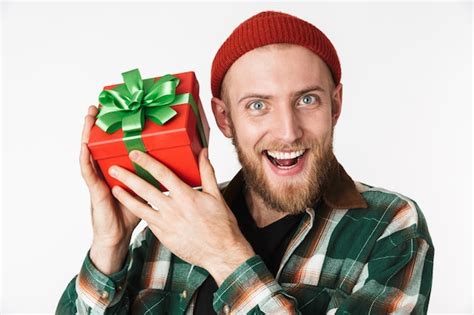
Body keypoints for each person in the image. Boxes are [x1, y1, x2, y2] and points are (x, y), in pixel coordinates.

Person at [57, 10, 433, 314]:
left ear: (335, 104)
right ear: (223, 119)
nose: (287, 132)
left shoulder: (391, 225)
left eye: (307, 100)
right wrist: (110, 246)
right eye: (257, 105)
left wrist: (225, 257)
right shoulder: (170, 224)